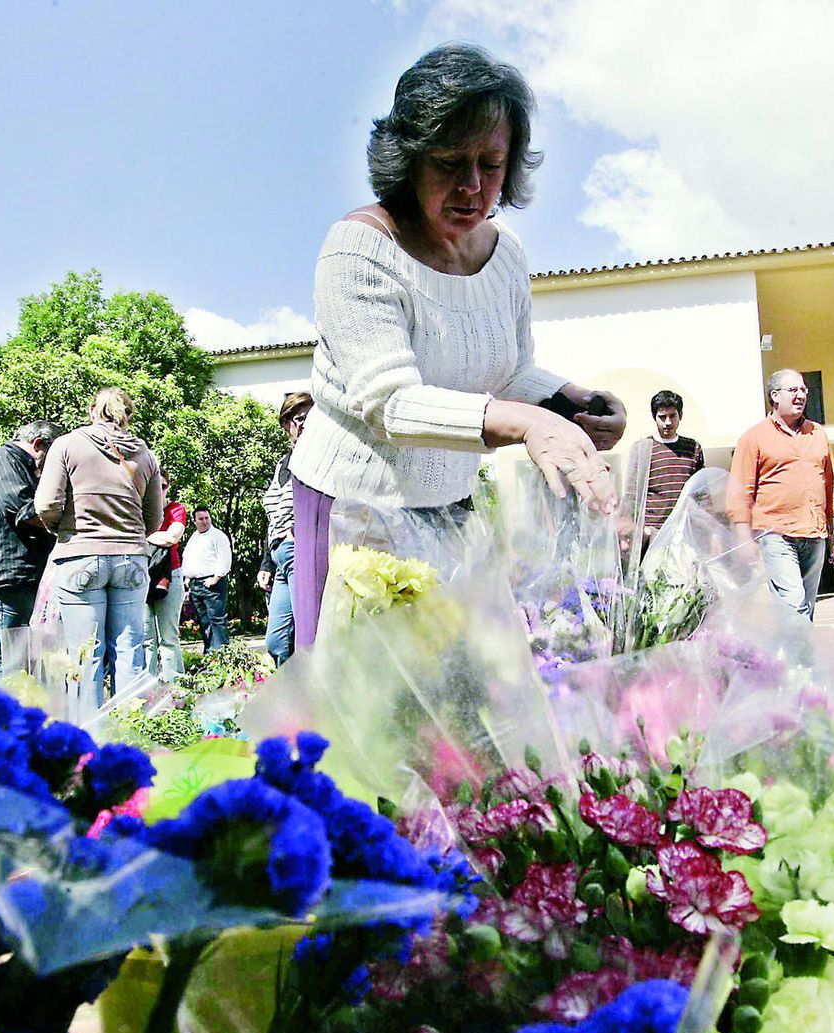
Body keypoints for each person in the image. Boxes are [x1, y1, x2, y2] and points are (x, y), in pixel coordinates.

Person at [289, 43, 626, 647]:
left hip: (452, 503)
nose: (472, 186)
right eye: (450, 162)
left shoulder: (506, 256)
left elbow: (506, 373)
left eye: (491, 164)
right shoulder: (358, 250)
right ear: (408, 160)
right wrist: (527, 424)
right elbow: (390, 403)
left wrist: (571, 401)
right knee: (360, 698)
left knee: (451, 693)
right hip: (356, 509)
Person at [35, 388, 163, 696]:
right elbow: (155, 520)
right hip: (131, 559)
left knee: (85, 655)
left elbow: (46, 504)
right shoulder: (146, 456)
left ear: (92, 411)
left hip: (80, 556)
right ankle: (130, 734)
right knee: (131, 651)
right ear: (127, 417)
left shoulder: (66, 445)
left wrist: (61, 530)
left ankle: (88, 739)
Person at [726, 369, 834, 620]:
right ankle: (800, 659)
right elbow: (740, 492)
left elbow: (830, 485)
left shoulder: (818, 434)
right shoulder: (753, 437)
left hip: (815, 533)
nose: (801, 395)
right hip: (775, 534)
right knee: (794, 602)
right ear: (775, 396)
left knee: (806, 607)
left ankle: (789, 656)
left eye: (804, 390)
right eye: (793, 390)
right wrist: (743, 538)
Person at [0, 419, 62, 685]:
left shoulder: (13, 463)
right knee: (2, 660)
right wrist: (66, 516)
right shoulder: (2, 459)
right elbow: (22, 510)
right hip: (6, 576)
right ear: (38, 445)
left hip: (17, 576)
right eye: (53, 459)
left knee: (19, 663)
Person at [257, 392, 312, 665]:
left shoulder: (314, 458)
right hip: (280, 554)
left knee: (306, 635)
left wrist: (301, 533)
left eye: (309, 418)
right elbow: (274, 515)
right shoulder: (284, 462)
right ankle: (290, 698)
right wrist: (267, 563)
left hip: (298, 551)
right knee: (277, 641)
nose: (304, 424)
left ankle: (309, 698)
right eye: (298, 419)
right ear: (286, 423)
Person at [624, 389, 705, 544]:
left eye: (672, 416)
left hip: (685, 531)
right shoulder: (642, 449)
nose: (668, 422)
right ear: (654, 417)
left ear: (680, 415)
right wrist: (633, 530)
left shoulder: (693, 448)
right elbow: (631, 494)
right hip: (653, 532)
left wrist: (710, 531)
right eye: (662, 417)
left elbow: (701, 493)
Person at [143, 470, 188, 681]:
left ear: (168, 487)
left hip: (170, 575)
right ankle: (144, 691)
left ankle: (176, 688)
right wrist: (157, 537)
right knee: (145, 639)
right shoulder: (141, 509)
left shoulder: (175, 509)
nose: (159, 490)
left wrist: (146, 535)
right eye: (155, 486)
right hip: (142, 576)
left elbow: (173, 536)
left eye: (163, 486)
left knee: (169, 637)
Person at [181, 507, 232, 650]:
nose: (204, 522)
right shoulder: (194, 537)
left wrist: (216, 578)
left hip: (213, 585)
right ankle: (209, 656)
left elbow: (225, 559)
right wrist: (188, 578)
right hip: (196, 585)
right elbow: (188, 557)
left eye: (206, 518)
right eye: (201, 519)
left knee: (217, 621)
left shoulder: (218, 536)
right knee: (204, 622)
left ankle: (222, 656)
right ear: (194, 521)